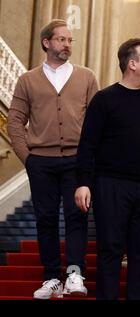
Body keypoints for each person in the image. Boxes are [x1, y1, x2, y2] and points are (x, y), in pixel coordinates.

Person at [74, 38, 140, 300]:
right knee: (109, 251)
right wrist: (83, 182)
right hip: (111, 185)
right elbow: (87, 145)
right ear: (132, 64)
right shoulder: (104, 100)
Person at [7, 19, 98, 299]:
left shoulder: (86, 77)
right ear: (47, 42)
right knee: (45, 219)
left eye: (70, 40)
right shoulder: (27, 80)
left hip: (76, 160)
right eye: (61, 40)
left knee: (76, 217)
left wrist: (90, 158)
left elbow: (97, 122)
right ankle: (51, 278)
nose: (67, 45)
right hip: (41, 162)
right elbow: (14, 121)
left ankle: (74, 274)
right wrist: (28, 158)